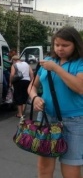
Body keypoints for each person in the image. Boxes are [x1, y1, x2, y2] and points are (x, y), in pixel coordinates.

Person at [28, 26, 83, 178]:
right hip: (46, 119)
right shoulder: (47, 62)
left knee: (71, 169)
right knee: (44, 166)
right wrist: (35, 98)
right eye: (57, 45)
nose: (60, 49)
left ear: (75, 45)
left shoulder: (80, 63)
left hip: (74, 121)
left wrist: (57, 69)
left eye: (65, 45)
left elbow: (80, 88)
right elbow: (32, 86)